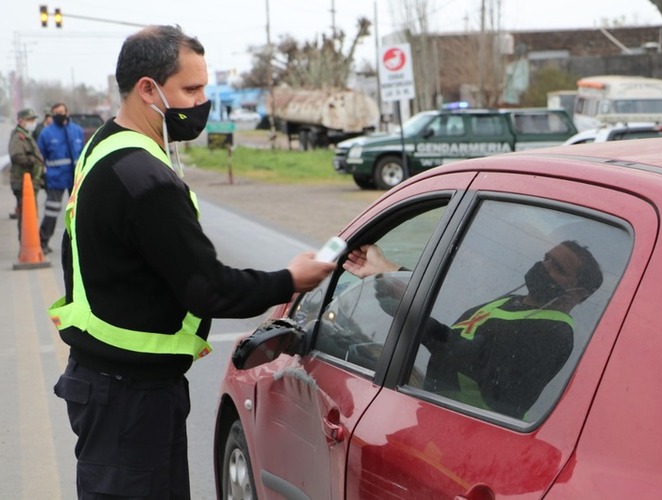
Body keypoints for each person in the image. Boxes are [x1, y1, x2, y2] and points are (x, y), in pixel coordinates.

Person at [50, 25, 335, 499]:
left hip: (106, 384)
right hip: (131, 399)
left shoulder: (105, 147)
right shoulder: (145, 178)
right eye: (191, 89)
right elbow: (207, 286)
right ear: (148, 89)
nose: (202, 102)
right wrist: (290, 279)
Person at [344, 240, 602, 419]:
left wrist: (412, 311)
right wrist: (389, 272)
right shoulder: (513, 301)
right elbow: (446, 307)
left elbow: (470, 355)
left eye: (557, 267)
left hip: (465, 425)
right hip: (434, 407)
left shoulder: (554, 332)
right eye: (547, 258)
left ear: (578, 293)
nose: (544, 266)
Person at [36, 101, 85, 254]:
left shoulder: (77, 131)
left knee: (78, 212)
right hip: (56, 178)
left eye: (62, 111)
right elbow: (39, 156)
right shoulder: (46, 133)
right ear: (52, 114)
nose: (59, 114)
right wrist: (41, 177)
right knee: (51, 211)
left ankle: (79, 242)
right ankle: (42, 241)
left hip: (75, 179)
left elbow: (83, 153)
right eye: (56, 112)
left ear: (67, 112)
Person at [7, 108, 45, 231]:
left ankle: (30, 238)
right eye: (30, 119)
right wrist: (33, 161)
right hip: (23, 181)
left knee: (30, 214)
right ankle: (26, 240)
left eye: (33, 119)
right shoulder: (19, 137)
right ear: (20, 120)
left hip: (30, 181)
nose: (32, 122)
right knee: (26, 215)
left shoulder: (27, 135)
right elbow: (16, 156)